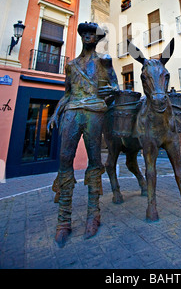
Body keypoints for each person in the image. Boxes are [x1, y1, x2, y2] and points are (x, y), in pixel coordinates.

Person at [48, 22, 118, 247]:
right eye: (85, 33)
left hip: (95, 112)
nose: (88, 37)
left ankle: (93, 215)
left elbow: (115, 87)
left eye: (92, 34)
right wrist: (55, 113)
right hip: (72, 112)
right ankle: (63, 221)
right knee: (65, 159)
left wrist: (111, 92)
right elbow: (67, 94)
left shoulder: (104, 61)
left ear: (97, 39)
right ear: (81, 37)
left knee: (95, 160)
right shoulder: (70, 65)